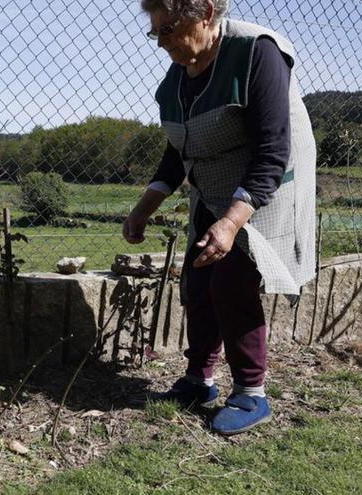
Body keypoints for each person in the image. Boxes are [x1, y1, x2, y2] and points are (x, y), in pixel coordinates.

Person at [123, 0, 316, 435]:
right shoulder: (178, 77)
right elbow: (178, 151)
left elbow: (271, 152)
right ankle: (199, 381)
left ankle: (251, 393)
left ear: (206, 11)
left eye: (169, 28)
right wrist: (142, 209)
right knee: (197, 277)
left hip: (268, 183)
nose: (161, 42)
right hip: (212, 184)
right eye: (155, 32)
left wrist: (230, 223)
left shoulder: (256, 53)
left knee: (232, 280)